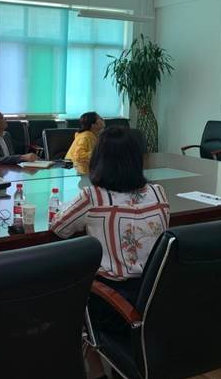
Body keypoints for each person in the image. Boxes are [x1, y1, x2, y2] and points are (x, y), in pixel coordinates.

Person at [50, 126, 169, 303]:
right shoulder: (158, 192)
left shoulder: (93, 196)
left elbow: (59, 228)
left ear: (99, 159)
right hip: (155, 293)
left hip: (111, 298)